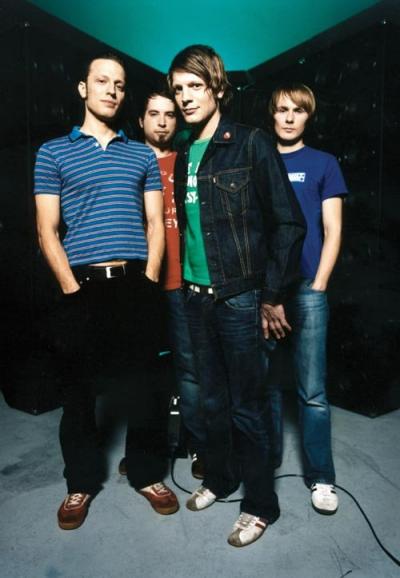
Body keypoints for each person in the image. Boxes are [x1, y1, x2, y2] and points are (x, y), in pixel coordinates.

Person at [167, 45, 306, 547]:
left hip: (240, 298)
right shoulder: (185, 153)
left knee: (248, 407)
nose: (185, 97)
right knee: (211, 402)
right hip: (195, 297)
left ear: (217, 88)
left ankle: (260, 505)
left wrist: (271, 294)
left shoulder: (251, 143)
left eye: (195, 86)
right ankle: (222, 478)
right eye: (178, 88)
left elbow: (289, 223)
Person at [33, 53, 179, 531]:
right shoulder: (53, 152)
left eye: (119, 84)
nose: (112, 90)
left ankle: (147, 474)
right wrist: (71, 290)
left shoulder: (140, 154)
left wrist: (150, 279)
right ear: (83, 88)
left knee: (146, 390)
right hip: (82, 286)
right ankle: (80, 483)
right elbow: (47, 230)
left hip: (135, 285)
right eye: (102, 81)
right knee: (78, 394)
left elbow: (155, 224)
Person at [267, 82, 348, 514]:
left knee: (312, 391)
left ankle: (321, 478)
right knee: (265, 385)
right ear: (272, 114)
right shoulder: (259, 160)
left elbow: (333, 230)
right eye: (282, 109)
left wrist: (319, 284)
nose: (289, 117)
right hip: (267, 292)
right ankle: (266, 465)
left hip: (307, 289)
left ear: (308, 116)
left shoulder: (323, 163)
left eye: (297, 110)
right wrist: (265, 292)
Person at [118, 87, 206, 479]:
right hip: (143, 282)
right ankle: (144, 451)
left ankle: (198, 446)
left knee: (191, 369)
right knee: (141, 372)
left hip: (183, 282)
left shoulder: (187, 161)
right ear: (141, 120)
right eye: (154, 114)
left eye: (170, 114)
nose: (162, 122)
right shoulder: (128, 162)